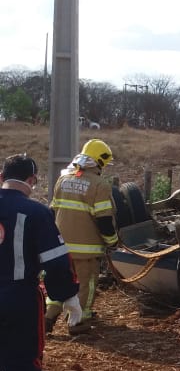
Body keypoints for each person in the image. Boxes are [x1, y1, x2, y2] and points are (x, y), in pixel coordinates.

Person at [1, 154, 79, 371]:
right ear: (32, 181)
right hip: (18, 298)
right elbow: (57, 262)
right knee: (19, 364)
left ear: (1, 175)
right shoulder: (34, 212)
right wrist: (69, 297)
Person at [45, 139, 119, 335]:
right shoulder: (99, 185)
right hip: (86, 250)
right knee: (86, 284)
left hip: (60, 248)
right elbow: (103, 220)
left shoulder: (63, 180)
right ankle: (78, 323)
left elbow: (53, 212)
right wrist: (112, 241)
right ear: (100, 161)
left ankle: (47, 318)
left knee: (59, 283)